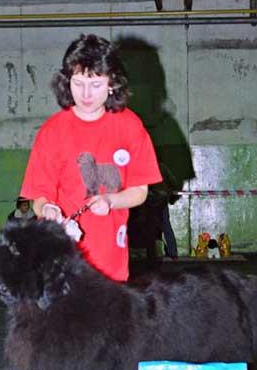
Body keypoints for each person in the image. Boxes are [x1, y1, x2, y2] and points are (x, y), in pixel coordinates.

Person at [20, 34, 163, 282]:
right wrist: (47, 208)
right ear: (67, 82)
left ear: (112, 83)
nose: (86, 94)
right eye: (78, 83)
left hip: (112, 264)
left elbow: (139, 191)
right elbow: (38, 196)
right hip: (63, 264)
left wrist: (110, 200)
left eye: (95, 85)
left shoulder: (130, 126)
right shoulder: (52, 131)